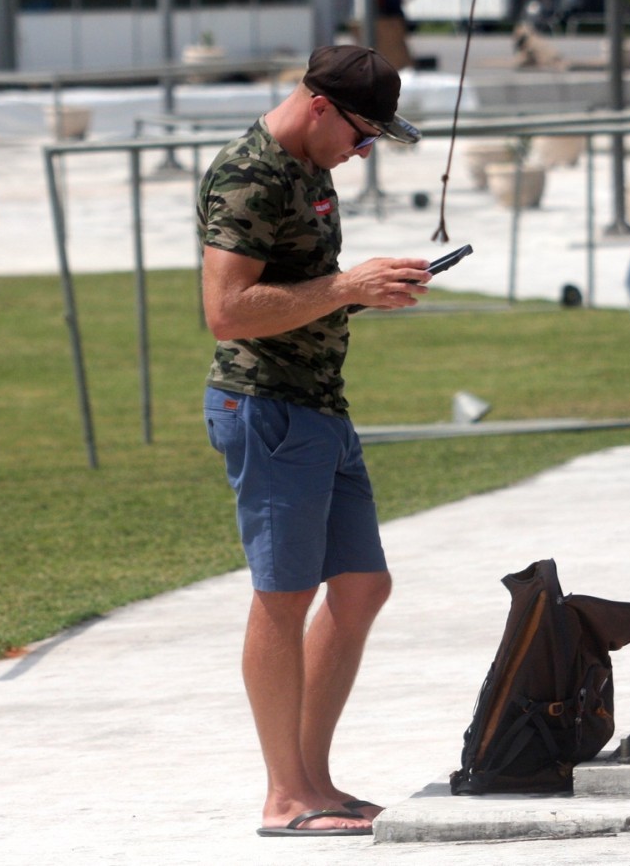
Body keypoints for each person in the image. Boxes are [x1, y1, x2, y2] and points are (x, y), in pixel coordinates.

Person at [197, 45, 429, 838]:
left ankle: (313, 780)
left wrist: (365, 293)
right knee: (284, 594)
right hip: (267, 408)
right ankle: (284, 797)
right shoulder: (250, 174)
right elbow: (226, 311)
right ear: (321, 106)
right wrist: (345, 285)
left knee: (361, 587)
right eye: (362, 135)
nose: (363, 153)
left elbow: (298, 292)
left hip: (320, 403)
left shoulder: (309, 167)